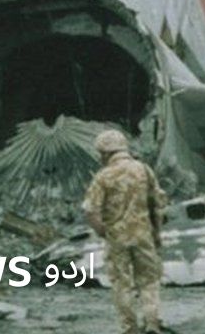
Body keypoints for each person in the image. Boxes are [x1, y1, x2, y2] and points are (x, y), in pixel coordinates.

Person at [82, 129, 167, 334]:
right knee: (149, 281)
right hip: (144, 235)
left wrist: (104, 232)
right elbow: (157, 205)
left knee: (122, 284)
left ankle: (130, 327)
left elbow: (90, 211)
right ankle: (152, 322)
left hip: (117, 238)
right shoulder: (144, 170)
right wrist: (156, 233)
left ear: (105, 153)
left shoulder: (103, 176)